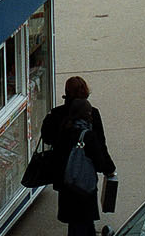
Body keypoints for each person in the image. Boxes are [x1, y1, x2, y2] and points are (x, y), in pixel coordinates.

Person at [39, 76, 116, 236]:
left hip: (65, 177)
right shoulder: (92, 116)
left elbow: (47, 138)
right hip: (84, 180)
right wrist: (109, 169)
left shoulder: (57, 115)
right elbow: (100, 146)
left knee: (76, 220)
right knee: (83, 220)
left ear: (66, 93)